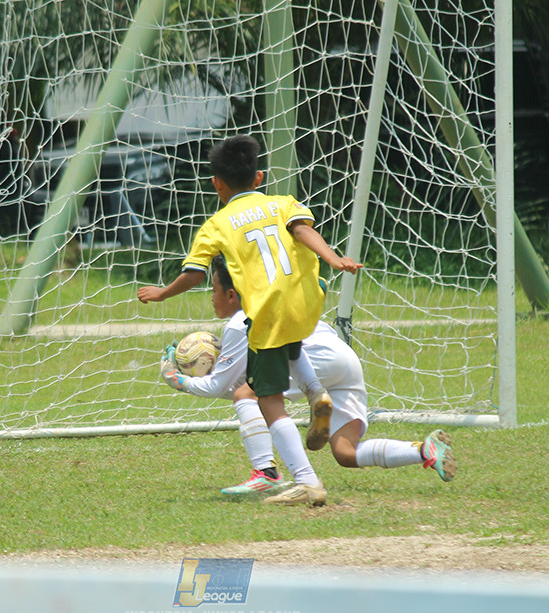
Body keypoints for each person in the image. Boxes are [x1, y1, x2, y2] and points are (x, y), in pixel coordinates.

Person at [138, 134, 362, 506]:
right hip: (307, 300)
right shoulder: (282, 203)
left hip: (267, 311)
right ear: (258, 177)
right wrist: (334, 258)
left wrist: (161, 293)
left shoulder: (216, 225)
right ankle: (315, 391)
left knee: (266, 400)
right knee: (290, 344)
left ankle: (307, 481)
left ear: (217, 183)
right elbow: (303, 230)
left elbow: (194, 274)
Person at [158, 255, 456, 500]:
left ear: (232, 295)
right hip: (343, 360)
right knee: (345, 452)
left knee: (249, 396)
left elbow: (218, 386)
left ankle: (266, 473)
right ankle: (424, 450)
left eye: (213, 290)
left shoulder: (240, 322)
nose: (211, 298)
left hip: (312, 359)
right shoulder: (273, 303)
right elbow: (235, 386)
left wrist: (176, 379)